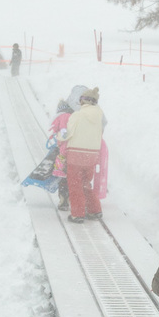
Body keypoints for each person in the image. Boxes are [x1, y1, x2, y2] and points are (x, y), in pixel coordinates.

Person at [62, 88, 105, 223]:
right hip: (92, 155)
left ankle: (77, 214)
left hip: (76, 154)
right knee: (86, 183)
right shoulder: (99, 116)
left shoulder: (78, 115)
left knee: (75, 184)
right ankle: (94, 210)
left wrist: (60, 136)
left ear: (83, 101)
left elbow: (68, 133)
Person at [48, 98, 73, 210]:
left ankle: (63, 199)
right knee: (74, 176)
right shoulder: (74, 117)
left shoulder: (61, 117)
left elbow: (62, 133)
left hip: (63, 153)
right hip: (74, 151)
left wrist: (60, 140)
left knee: (62, 177)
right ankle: (73, 198)